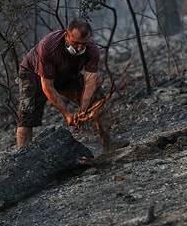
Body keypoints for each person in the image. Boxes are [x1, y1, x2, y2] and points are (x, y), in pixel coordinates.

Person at [15, 19, 127, 152]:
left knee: (97, 101)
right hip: (33, 76)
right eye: (76, 43)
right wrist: (67, 112)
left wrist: (84, 108)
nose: (80, 48)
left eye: (84, 44)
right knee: (27, 116)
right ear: (66, 36)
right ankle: (21, 156)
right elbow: (47, 86)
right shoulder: (49, 46)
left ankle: (107, 143)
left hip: (65, 75)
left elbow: (90, 82)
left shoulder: (92, 51)